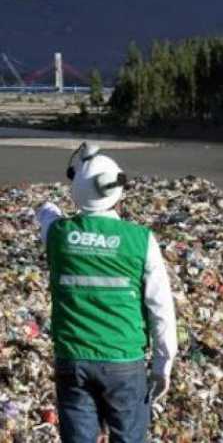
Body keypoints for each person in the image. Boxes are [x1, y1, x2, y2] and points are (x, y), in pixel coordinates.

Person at [35, 143, 177, 443]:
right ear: (116, 190)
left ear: (76, 189)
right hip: (124, 361)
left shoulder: (58, 235)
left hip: (72, 359)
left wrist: (48, 207)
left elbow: (46, 214)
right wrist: (164, 364)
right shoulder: (141, 240)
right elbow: (160, 307)